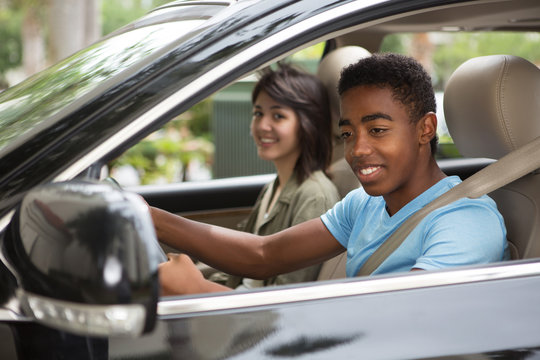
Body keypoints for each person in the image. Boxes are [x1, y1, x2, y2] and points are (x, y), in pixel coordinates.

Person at [153, 53, 509, 296]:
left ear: (425, 129)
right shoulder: (363, 205)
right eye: (348, 133)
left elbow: (384, 326)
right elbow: (264, 255)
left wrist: (201, 292)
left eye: (378, 130)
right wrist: (151, 218)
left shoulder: (465, 222)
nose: (357, 150)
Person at [199, 63, 340, 290]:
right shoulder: (272, 188)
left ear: (307, 124)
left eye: (278, 115)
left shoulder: (314, 197)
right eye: (258, 113)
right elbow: (240, 266)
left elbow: (282, 300)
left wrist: (193, 287)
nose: (263, 125)